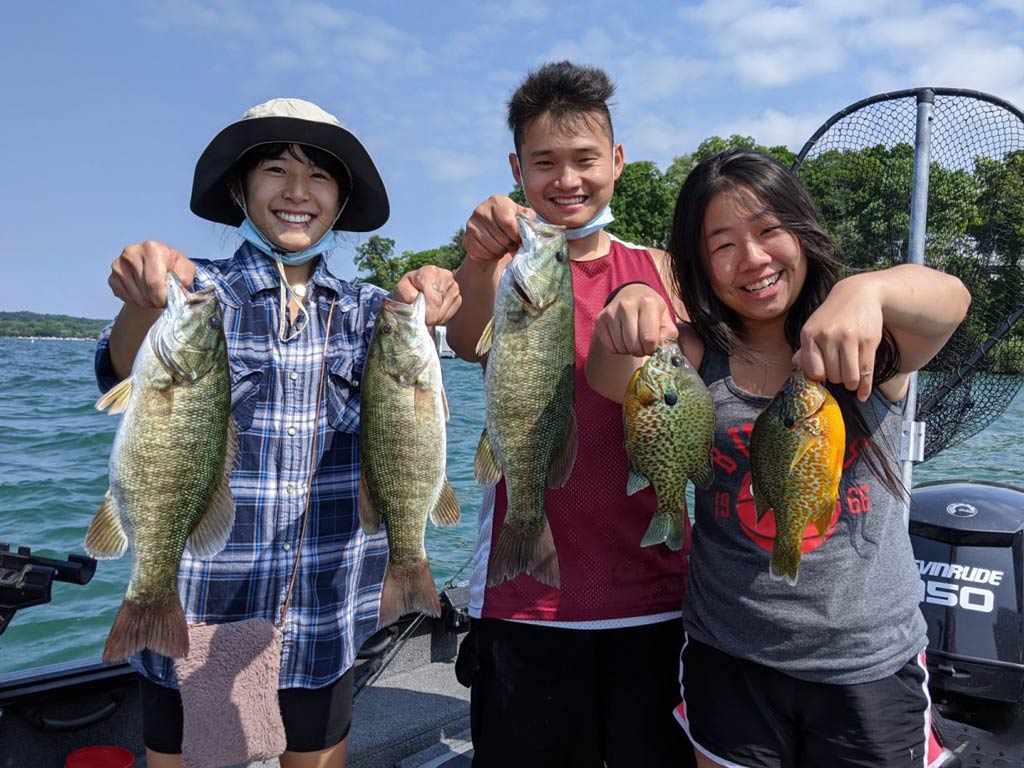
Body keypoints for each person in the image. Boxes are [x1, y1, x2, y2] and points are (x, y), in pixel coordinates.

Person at [95, 98, 460, 768]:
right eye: (274, 170)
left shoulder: (370, 313)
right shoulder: (199, 294)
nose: (296, 192)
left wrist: (434, 289)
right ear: (239, 188)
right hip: (198, 607)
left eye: (318, 176)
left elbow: (430, 336)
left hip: (326, 611)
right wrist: (139, 302)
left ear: (342, 200)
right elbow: (122, 367)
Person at [586, 147, 971, 768]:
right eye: (724, 245)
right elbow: (609, 375)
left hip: (866, 660)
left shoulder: (864, 343)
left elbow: (951, 298)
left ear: (802, 231)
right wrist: (628, 301)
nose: (754, 258)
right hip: (729, 653)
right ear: (699, 266)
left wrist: (864, 289)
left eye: (769, 230)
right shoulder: (692, 359)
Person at [446, 61, 695, 768]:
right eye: (544, 162)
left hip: (655, 595)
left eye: (585, 159)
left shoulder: (664, 270)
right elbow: (464, 340)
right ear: (516, 169)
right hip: (524, 605)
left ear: (616, 161)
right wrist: (476, 257)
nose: (567, 180)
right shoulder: (498, 274)